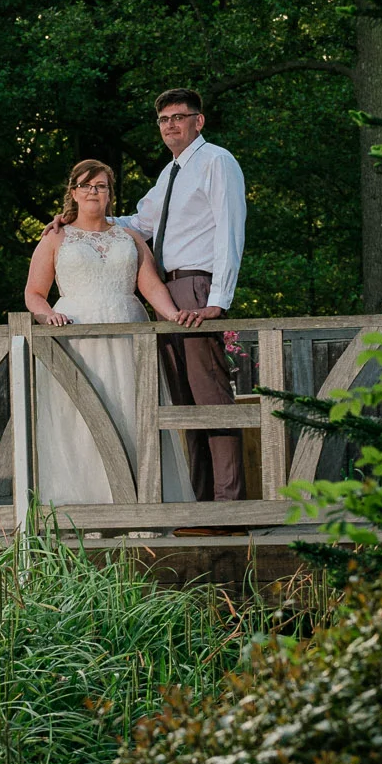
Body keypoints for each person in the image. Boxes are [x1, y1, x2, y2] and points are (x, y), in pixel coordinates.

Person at [23, 160, 183, 504]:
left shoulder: (130, 237)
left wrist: (174, 315)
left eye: (100, 185)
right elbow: (34, 292)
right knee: (81, 418)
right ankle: (87, 505)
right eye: (85, 185)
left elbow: (151, 286)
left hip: (128, 333)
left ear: (110, 193)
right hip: (76, 335)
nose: (92, 191)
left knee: (132, 411)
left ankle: (141, 503)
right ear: (73, 193)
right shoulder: (56, 237)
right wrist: (47, 316)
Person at [116, 89, 248, 504]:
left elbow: (230, 228)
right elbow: (140, 224)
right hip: (166, 291)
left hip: (196, 287)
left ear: (198, 121)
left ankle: (228, 506)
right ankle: (201, 503)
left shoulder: (216, 162)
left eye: (178, 117)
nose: (170, 125)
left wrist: (218, 299)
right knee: (184, 401)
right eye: (163, 119)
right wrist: (81, 222)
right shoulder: (169, 173)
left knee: (211, 396)